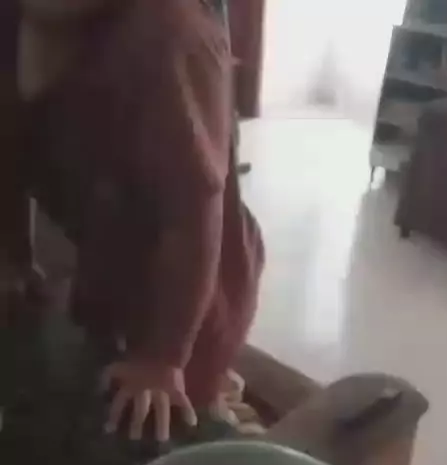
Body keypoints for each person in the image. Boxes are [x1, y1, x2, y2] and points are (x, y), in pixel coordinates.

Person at [0, 0, 264, 442]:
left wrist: (163, 359)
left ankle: (215, 404)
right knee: (92, 369)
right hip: (106, 250)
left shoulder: (170, 41)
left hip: (198, 279)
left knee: (171, 416)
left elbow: (191, 217)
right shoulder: (13, 22)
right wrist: (12, 257)